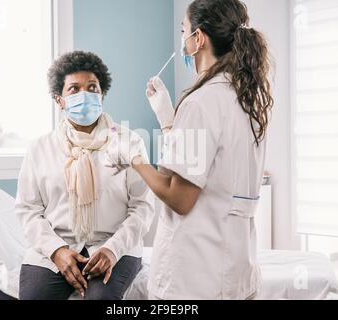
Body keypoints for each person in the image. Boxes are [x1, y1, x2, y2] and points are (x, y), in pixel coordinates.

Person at [108, 0, 274, 300]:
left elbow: (180, 197)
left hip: (195, 276)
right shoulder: (247, 99)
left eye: (184, 30)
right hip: (237, 269)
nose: (181, 39)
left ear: (198, 39)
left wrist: (134, 157)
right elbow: (205, 166)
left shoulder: (201, 102)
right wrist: (168, 119)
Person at [16, 51, 154, 300]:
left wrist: (113, 249)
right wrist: (57, 250)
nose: (85, 95)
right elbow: (28, 210)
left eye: (92, 87)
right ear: (59, 99)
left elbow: (143, 207)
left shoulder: (129, 142)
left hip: (114, 247)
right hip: (55, 247)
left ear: (102, 94)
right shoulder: (40, 149)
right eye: (74, 89)